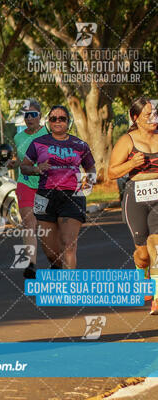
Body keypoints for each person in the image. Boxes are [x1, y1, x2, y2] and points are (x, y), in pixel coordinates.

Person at [21, 105, 95, 270]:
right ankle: (60, 271)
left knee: (68, 245)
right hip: (45, 196)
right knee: (51, 252)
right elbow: (23, 167)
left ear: (68, 122)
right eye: (53, 118)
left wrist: (89, 182)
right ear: (48, 121)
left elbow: (90, 167)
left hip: (72, 195)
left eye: (62, 118)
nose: (57, 121)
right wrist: (36, 169)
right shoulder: (38, 143)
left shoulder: (80, 144)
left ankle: (69, 289)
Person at [108, 97, 158, 313]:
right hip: (135, 197)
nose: (154, 118)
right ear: (135, 118)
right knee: (143, 252)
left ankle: (156, 295)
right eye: (148, 115)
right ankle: (140, 269)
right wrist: (131, 164)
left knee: (156, 245)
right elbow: (111, 173)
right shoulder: (127, 141)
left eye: (155, 114)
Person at [7, 99, 48, 278]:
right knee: (28, 223)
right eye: (26, 115)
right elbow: (22, 160)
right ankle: (31, 264)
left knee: (48, 225)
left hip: (46, 184)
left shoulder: (49, 134)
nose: (29, 118)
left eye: (33, 115)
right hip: (25, 182)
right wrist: (13, 163)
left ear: (40, 116)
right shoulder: (19, 137)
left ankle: (58, 260)